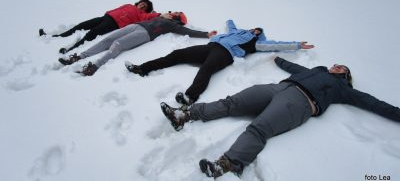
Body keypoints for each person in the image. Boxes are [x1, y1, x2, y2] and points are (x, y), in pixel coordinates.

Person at [160, 56, 400, 178]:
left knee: (259, 128)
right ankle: (185, 115)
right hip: (278, 88)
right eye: (336, 65)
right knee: (232, 103)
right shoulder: (315, 70)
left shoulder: (343, 89)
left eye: (342, 69)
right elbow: (292, 68)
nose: (336, 67)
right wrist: (277, 58)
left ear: (346, 77)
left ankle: (226, 164)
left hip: (300, 103)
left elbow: (373, 103)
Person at [126, 19, 314, 105]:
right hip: (211, 46)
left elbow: (277, 45)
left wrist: (297, 44)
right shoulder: (236, 32)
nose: (255, 31)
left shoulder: (257, 43)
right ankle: (143, 68)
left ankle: (190, 97)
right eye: (254, 28)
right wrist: (231, 21)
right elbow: (231, 25)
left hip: (226, 54)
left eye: (258, 31)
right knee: (178, 53)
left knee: (207, 68)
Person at [59, 12, 217, 76]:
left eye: (175, 14)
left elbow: (188, 32)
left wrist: (205, 34)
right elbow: (145, 14)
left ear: (177, 20)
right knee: (107, 40)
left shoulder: (173, 25)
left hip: (144, 34)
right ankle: (78, 57)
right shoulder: (160, 16)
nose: (172, 12)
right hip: (135, 26)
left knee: (118, 44)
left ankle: (94, 66)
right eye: (173, 11)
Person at [39, 0, 160, 54]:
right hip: (106, 17)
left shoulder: (142, 15)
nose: (142, 6)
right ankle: (57, 36)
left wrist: (155, 14)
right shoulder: (129, 5)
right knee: (81, 25)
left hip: (114, 23)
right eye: (142, 4)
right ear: (138, 2)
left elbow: (151, 17)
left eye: (145, 7)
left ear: (146, 10)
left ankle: (71, 49)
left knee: (93, 32)